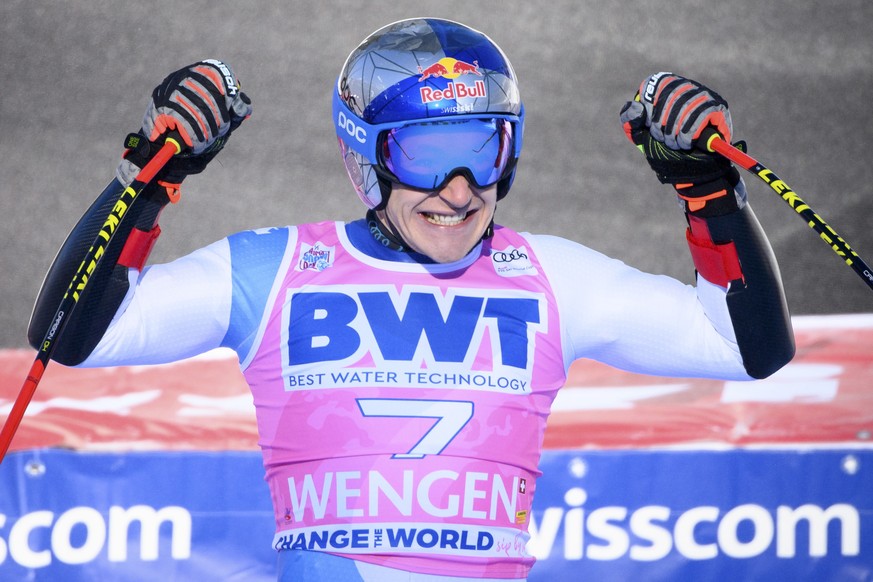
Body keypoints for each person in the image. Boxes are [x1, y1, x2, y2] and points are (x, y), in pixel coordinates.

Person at [27, 17, 794, 582]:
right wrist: (151, 178)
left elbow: (745, 349)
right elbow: (72, 337)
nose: (459, 191)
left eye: (482, 150)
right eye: (427, 154)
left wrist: (709, 193)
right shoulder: (274, 269)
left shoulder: (553, 276)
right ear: (367, 154)